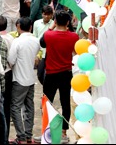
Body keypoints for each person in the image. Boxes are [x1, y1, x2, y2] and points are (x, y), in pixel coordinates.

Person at [39, 10, 78, 142]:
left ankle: (46, 131)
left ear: (55, 21)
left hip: (51, 73)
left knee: (47, 102)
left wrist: (51, 27)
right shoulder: (74, 37)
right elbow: (75, 51)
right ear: (68, 22)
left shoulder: (48, 35)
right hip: (66, 73)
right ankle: (63, 132)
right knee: (65, 102)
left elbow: (42, 43)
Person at [7, 17, 41, 144]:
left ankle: (21, 136)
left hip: (19, 79)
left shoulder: (17, 41)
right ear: (31, 27)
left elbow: (11, 60)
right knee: (29, 107)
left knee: (15, 107)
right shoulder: (36, 40)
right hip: (31, 78)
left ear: (18, 26)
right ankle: (28, 135)